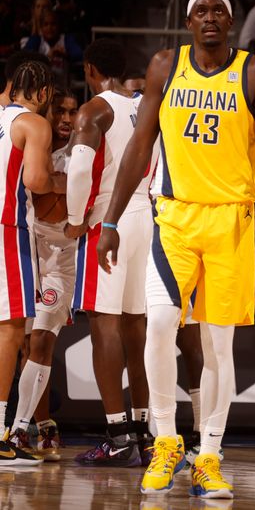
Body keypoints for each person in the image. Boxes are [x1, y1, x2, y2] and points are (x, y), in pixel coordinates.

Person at [95, 0, 255, 498]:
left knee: (216, 345)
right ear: (188, 22)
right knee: (159, 325)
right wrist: (110, 221)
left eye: (218, 12)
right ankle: (165, 440)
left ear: (230, 22)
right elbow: (141, 145)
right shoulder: (164, 65)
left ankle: (210, 454)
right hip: (175, 218)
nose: (209, 18)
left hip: (231, 221)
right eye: (200, 11)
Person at [62, 38, 154, 467]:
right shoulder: (142, 105)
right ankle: (144, 431)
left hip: (109, 220)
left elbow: (80, 169)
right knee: (138, 328)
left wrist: (77, 217)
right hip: (147, 214)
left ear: (89, 69)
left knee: (105, 327)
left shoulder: (95, 110)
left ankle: (118, 435)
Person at [0, 60, 64, 466]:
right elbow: (36, 182)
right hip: (8, 228)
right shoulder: (34, 124)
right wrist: (66, 185)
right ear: (42, 94)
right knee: (11, 329)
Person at [8, 88, 78, 461]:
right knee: (19, 342)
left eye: (72, 111)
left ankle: (20, 432)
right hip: (25, 248)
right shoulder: (27, 145)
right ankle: (40, 423)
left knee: (42, 343)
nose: (66, 119)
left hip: (61, 254)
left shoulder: (84, 153)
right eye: (60, 111)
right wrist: (55, 186)